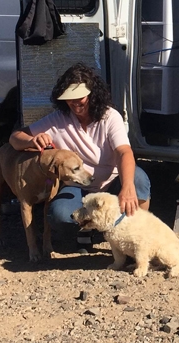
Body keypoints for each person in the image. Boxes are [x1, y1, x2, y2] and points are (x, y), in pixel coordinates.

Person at [9, 63, 150, 246]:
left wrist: (127, 185)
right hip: (79, 187)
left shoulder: (110, 117)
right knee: (59, 215)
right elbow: (15, 137)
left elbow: (124, 152)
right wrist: (30, 142)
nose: (75, 103)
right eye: (69, 98)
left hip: (112, 180)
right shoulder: (58, 119)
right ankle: (88, 232)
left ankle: (138, 234)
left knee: (138, 181)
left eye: (80, 97)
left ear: (92, 94)